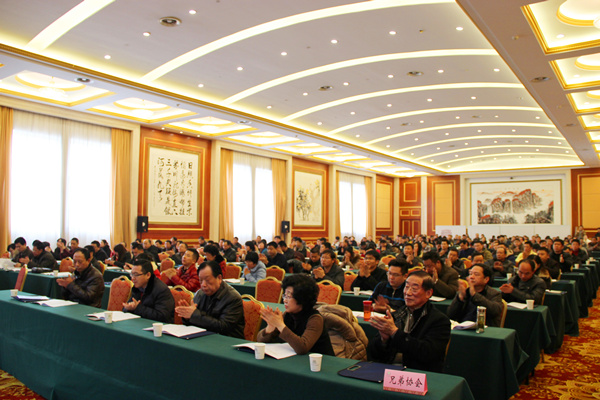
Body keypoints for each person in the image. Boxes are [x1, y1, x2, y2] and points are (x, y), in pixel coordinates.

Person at [367, 270, 451, 372]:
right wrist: (383, 340)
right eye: (406, 287)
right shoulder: (397, 315)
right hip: (389, 370)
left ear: (428, 293)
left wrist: (394, 332)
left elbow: (427, 354)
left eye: (414, 289)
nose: (408, 293)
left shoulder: (439, 320)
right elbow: (373, 354)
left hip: (419, 373)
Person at [258, 274, 334, 355]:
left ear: (301, 299)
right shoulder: (288, 314)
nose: (285, 300)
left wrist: (280, 325)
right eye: (284, 296)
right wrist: (270, 328)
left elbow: (302, 348)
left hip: (320, 361)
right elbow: (260, 340)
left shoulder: (315, 319)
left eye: (289, 297)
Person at [175, 260, 245, 338]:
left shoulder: (233, 298)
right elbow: (195, 322)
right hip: (203, 337)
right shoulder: (200, 293)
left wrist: (194, 315)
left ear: (219, 278)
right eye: (201, 280)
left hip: (228, 340)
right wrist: (188, 316)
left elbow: (223, 327)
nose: (203, 285)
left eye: (207, 280)